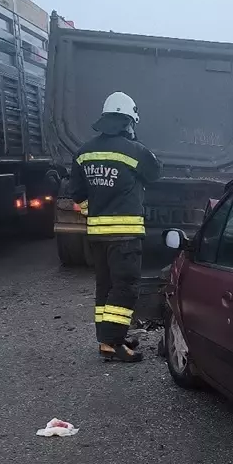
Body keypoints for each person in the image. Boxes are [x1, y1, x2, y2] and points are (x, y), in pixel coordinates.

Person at [66, 91, 161, 363]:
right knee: (126, 287)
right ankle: (113, 342)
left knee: (105, 287)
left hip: (97, 235)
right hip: (125, 235)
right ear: (128, 122)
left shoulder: (83, 153)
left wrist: (94, 213)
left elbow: (77, 195)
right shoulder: (135, 151)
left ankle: (108, 339)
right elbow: (155, 173)